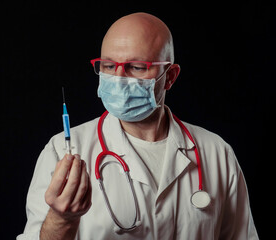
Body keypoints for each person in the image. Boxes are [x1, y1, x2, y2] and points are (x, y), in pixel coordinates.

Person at [17, 12, 259, 240]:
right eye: (109, 66)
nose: (119, 78)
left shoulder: (216, 153)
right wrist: (62, 218)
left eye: (137, 67)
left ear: (171, 76)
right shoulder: (63, 150)